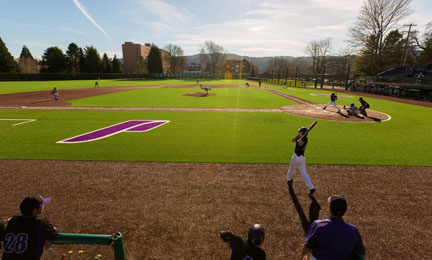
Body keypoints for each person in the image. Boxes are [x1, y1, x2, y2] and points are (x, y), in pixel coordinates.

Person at [301, 195, 365, 260]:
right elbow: (361, 251)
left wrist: (303, 256)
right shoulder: (353, 230)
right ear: (345, 210)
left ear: (329, 208)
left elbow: (308, 246)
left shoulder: (318, 225)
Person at [2, 195, 58, 260]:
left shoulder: (13, 220)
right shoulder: (41, 222)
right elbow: (53, 233)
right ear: (34, 210)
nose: (43, 206)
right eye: (41, 205)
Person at [287, 127, 316, 196]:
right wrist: (297, 136)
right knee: (303, 173)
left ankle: (289, 180)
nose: (298, 132)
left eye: (299, 131)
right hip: (302, 159)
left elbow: (300, 144)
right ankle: (311, 188)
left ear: (302, 132)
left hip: (296, 157)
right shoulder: (300, 137)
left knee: (292, 169)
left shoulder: (305, 139)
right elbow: (292, 140)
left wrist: (299, 140)